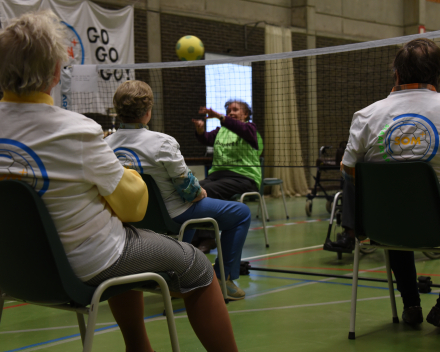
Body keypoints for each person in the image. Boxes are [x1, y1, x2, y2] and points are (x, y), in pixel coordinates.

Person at [0, 10, 238, 352]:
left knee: (121, 239)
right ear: (55, 71)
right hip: (81, 267)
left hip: (13, 268)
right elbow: (133, 206)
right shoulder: (76, 130)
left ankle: (139, 347)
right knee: (195, 264)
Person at [328, 38, 440, 327]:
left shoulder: (366, 115)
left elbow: (348, 171)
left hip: (382, 228)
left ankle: (410, 303)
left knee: (396, 217)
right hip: (437, 226)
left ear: (397, 75)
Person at [105, 80, 251, 301]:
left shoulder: (105, 145)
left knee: (189, 211)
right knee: (241, 213)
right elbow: (189, 190)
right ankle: (224, 280)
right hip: (171, 216)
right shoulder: (162, 142)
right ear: (147, 112)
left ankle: (179, 275)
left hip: (127, 218)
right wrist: (200, 192)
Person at [191, 100, 263, 253]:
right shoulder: (220, 131)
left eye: (235, 110)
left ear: (246, 114)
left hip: (243, 178)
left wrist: (218, 115)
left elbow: (239, 128)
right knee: (191, 188)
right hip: (218, 176)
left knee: (206, 190)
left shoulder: (250, 129)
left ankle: (208, 238)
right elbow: (206, 139)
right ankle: (193, 237)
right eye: (229, 110)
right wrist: (200, 131)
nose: (231, 113)